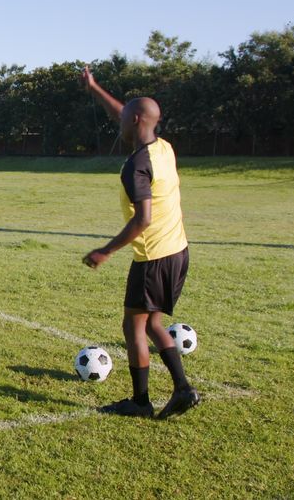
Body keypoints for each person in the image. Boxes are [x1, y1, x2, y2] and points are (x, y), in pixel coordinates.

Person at [79, 66, 199, 420]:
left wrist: (106, 251)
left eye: (124, 119)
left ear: (135, 121)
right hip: (178, 251)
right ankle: (181, 388)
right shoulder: (163, 148)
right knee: (152, 324)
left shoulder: (137, 165)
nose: (118, 122)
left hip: (153, 258)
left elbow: (142, 219)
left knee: (133, 327)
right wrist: (95, 88)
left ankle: (141, 401)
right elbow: (125, 112)